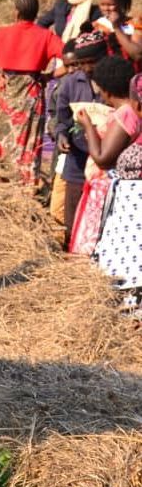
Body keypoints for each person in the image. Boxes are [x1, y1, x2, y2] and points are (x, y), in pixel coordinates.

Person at [0, 0, 64, 185]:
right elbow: (72, 59)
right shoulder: (45, 36)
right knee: (28, 140)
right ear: (36, 13)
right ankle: (25, 183)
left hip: (5, 91)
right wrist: (48, 75)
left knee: (1, 136)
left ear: (16, 13)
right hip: (31, 91)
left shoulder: (3, 33)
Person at [78, 73, 142, 317]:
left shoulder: (128, 117)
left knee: (133, 281)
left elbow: (103, 159)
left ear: (136, 104)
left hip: (134, 227)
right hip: (129, 224)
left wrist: (89, 128)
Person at [68, 56, 135, 255]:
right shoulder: (127, 111)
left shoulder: (125, 114)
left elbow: (103, 159)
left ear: (106, 89)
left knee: (94, 242)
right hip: (103, 187)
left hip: (106, 188)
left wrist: (88, 125)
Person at [54, 31, 107, 248]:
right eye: (81, 63)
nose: (86, 68)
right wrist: (61, 135)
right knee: (72, 214)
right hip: (77, 157)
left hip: (105, 159)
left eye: (91, 62)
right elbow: (62, 118)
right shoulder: (69, 83)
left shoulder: (112, 81)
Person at [46, 42, 78, 224]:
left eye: (75, 65)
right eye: (67, 66)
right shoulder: (62, 86)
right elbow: (53, 115)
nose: (72, 70)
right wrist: (58, 131)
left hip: (82, 150)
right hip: (64, 147)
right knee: (58, 197)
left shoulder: (87, 84)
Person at [94, 0, 142, 71]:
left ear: (122, 3)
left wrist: (116, 27)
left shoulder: (135, 24)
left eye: (111, 5)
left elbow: (137, 55)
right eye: (103, 4)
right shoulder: (97, 25)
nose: (106, 9)